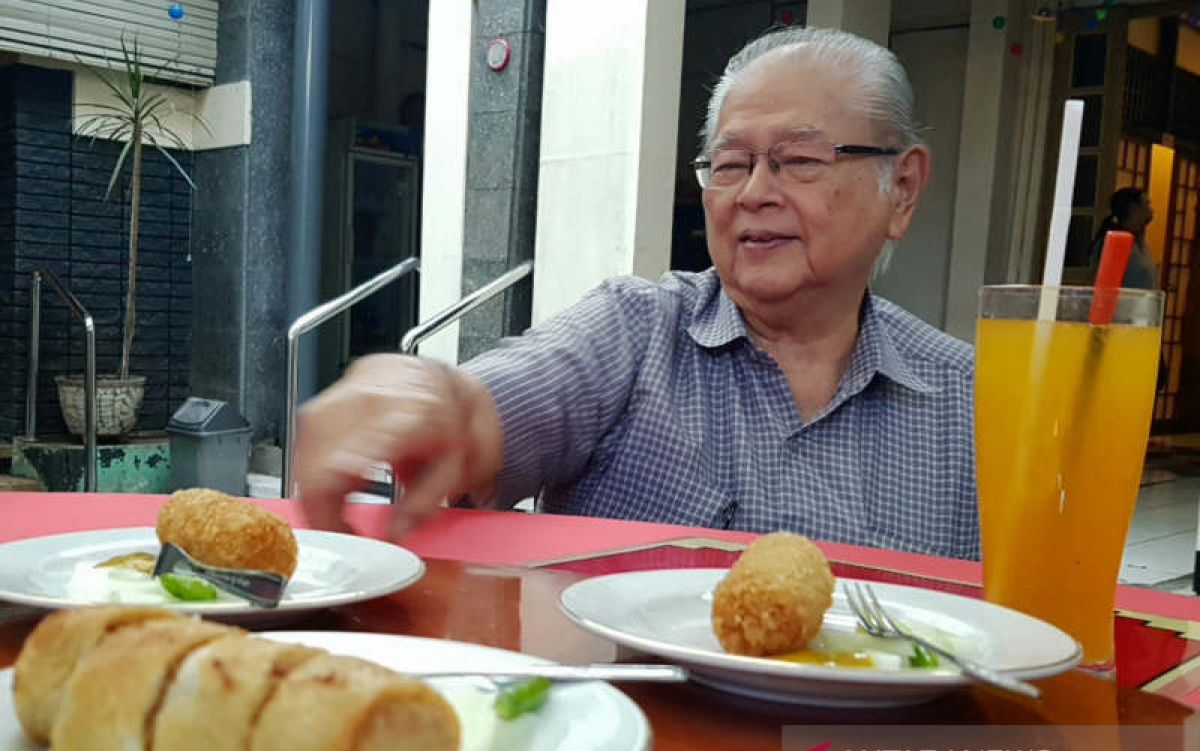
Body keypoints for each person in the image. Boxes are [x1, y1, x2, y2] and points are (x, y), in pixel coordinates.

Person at [296, 27, 980, 559]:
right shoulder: (636, 333)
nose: (753, 193)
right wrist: (432, 398)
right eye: (731, 163)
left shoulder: (971, 403)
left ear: (904, 189)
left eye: (798, 160)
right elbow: (491, 406)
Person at [1089, 188, 1158, 289]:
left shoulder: (1139, 242)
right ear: (1133, 209)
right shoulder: (1116, 243)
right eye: (1147, 204)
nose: (1151, 210)